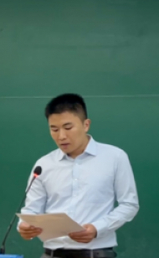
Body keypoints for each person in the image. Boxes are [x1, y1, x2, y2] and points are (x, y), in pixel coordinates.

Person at [17, 94, 139, 258]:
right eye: (54, 129)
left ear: (86, 125)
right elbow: (32, 209)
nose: (61, 136)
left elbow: (129, 204)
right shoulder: (44, 164)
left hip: (96, 252)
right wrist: (25, 226)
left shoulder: (115, 157)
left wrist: (97, 228)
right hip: (52, 253)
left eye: (68, 128)